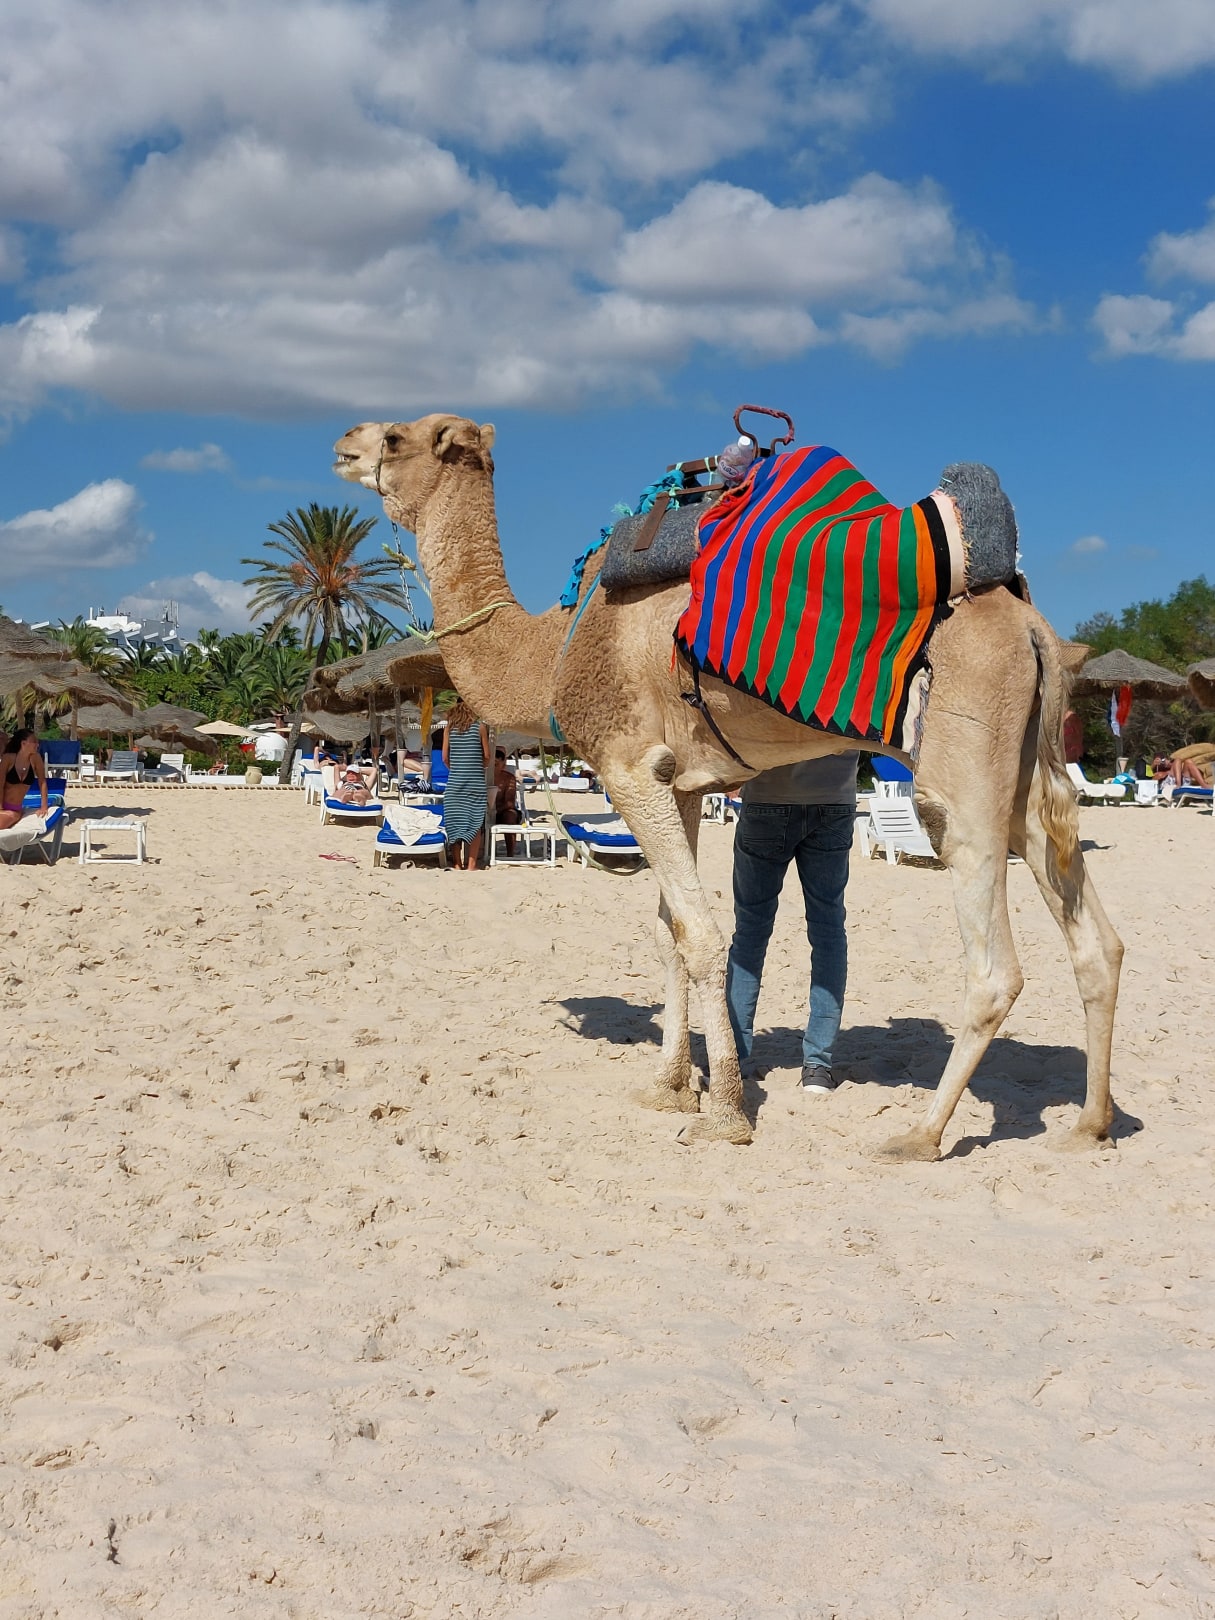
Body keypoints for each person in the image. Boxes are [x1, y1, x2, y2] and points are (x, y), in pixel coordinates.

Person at [725, 751, 859, 1094]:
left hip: (768, 796)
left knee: (750, 933)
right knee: (829, 931)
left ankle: (732, 1058)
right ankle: (818, 1066)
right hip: (834, 798)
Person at [442, 699, 490, 869]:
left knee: (454, 822)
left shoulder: (449, 728)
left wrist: (456, 768)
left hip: (455, 783)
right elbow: (487, 756)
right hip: (475, 783)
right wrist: (476, 766)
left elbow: (445, 758)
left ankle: (457, 864)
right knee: (474, 822)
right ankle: (471, 865)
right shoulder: (480, 727)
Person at [1, 729, 48, 831]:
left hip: (15, 809)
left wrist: (44, 807)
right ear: (23, 743)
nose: (37, 744)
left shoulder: (36, 759)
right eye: (34, 741)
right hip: (2, 807)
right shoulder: (8, 758)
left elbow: (42, 782)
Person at [492, 746, 521, 855]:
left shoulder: (509, 778)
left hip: (502, 811)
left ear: (503, 763)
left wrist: (496, 810)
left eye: (497, 763)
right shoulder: (481, 776)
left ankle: (510, 853)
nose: (494, 766)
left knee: (510, 816)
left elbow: (510, 802)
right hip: (483, 810)